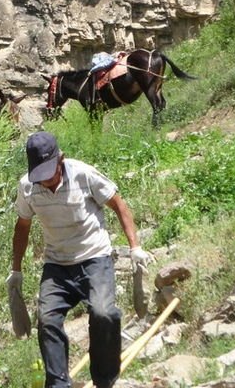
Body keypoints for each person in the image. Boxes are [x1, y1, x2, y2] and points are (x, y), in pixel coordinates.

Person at [9, 131, 150, 388]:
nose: (46, 182)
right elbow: (22, 227)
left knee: (104, 313)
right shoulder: (28, 187)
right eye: (40, 177)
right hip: (57, 265)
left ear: (60, 160)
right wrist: (15, 271)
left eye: (49, 174)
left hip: (94, 257)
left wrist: (135, 248)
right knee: (48, 319)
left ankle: (104, 379)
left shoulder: (84, 174)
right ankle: (58, 383)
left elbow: (119, 205)